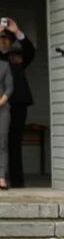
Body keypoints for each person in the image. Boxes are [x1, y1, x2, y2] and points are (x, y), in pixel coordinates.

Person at [0, 19, 34, 188]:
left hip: (18, 101)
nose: (4, 40)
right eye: (1, 38)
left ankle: (17, 180)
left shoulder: (18, 56)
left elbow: (30, 51)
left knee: (15, 141)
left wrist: (17, 31)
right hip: (1, 102)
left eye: (7, 38)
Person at [0, 57, 10, 189]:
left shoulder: (4, 65)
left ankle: (1, 176)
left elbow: (9, 87)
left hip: (2, 110)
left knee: (1, 143)